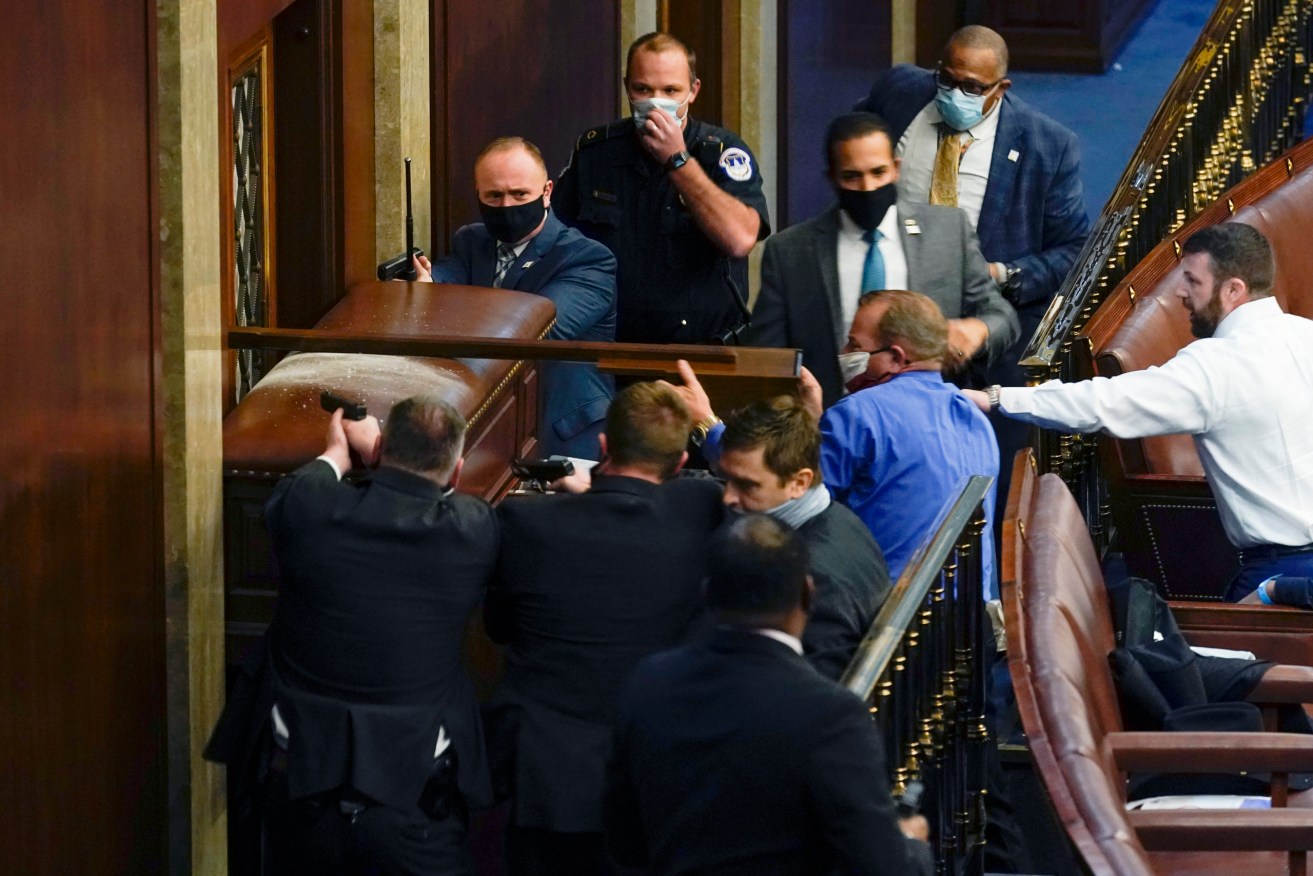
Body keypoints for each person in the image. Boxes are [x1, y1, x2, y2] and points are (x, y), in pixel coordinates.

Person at [966, 223, 1313, 608]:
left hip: (1283, 578)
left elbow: (1105, 403)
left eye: (1193, 281)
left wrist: (998, 399)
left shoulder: (1217, 365)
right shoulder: (1307, 334)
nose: (1181, 292)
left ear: (1233, 289)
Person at [855, 25, 1090, 539]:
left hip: (981, 345)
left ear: (1000, 89)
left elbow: (1074, 253)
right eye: (948, 78)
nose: (955, 94)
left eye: (973, 87)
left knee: (984, 497)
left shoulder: (1046, 147)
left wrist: (1002, 275)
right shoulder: (898, 93)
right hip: (889, 333)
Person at [483, 381, 725, 875]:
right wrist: (709, 426)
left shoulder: (526, 524)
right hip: (655, 775)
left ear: (603, 447)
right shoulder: (703, 512)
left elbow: (499, 626)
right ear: (680, 466)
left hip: (547, 775)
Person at [604, 514, 933, 875]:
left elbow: (624, 837)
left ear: (707, 594)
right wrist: (913, 847)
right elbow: (881, 866)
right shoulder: (830, 713)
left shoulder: (649, 683)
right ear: (807, 593)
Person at [259, 396, 498, 875]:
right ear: (456, 473)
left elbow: (305, 485)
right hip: (413, 813)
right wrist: (386, 458)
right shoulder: (472, 532)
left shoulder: (307, 508)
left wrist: (337, 453)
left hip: (302, 793)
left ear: (382, 447)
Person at [751, 111, 1019, 407]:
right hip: (829, 425)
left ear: (896, 169)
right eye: (852, 176)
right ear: (832, 178)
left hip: (927, 418)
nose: (867, 188)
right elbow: (768, 359)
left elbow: (1002, 317)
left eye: (878, 173)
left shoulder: (947, 232)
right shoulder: (791, 252)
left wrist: (977, 331)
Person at [554, 32, 770, 346]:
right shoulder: (596, 151)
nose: (656, 102)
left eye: (670, 90)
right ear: (628, 87)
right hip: (615, 348)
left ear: (693, 91)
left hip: (703, 351)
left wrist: (678, 160)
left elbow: (739, 239)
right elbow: (555, 239)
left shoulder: (721, 151)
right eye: (643, 89)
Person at [675, 376, 892, 679]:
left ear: (799, 482)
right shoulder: (842, 519)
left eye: (747, 485)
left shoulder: (813, 575)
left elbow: (815, 694)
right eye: (728, 479)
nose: (728, 497)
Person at [413, 136, 616, 458]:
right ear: (478, 195)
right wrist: (426, 287)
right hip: (486, 427)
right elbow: (445, 277)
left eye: (519, 194)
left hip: (561, 430)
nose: (507, 207)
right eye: (494, 196)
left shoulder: (587, 258)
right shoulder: (471, 242)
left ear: (547, 192)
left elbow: (539, 327)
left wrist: (444, 306)